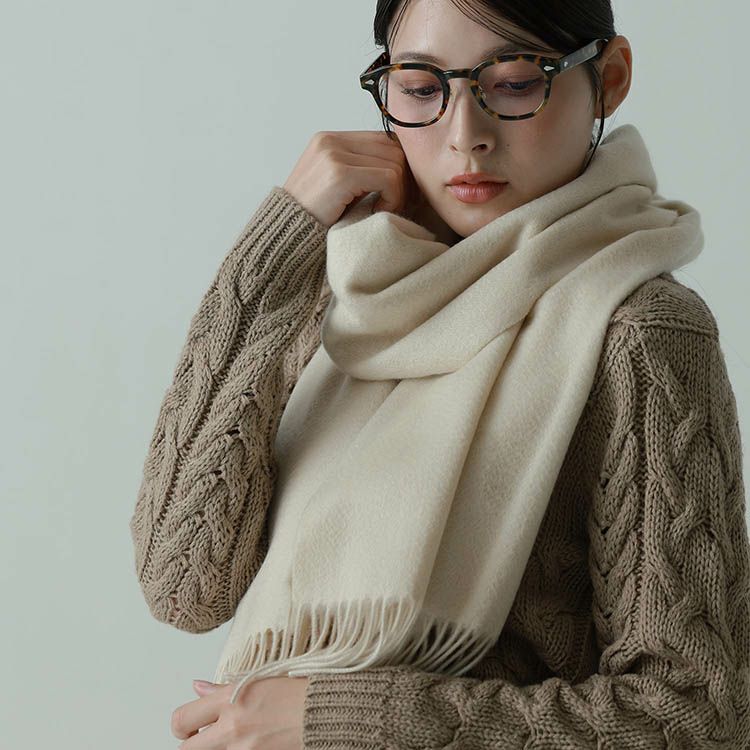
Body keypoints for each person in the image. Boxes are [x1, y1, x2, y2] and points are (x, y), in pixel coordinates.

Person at [130, 1, 750, 747]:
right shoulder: (340, 303)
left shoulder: (638, 332)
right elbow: (185, 587)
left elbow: (692, 716)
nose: (465, 135)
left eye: (515, 82)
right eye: (422, 89)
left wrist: (342, 719)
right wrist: (277, 250)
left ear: (609, 78)